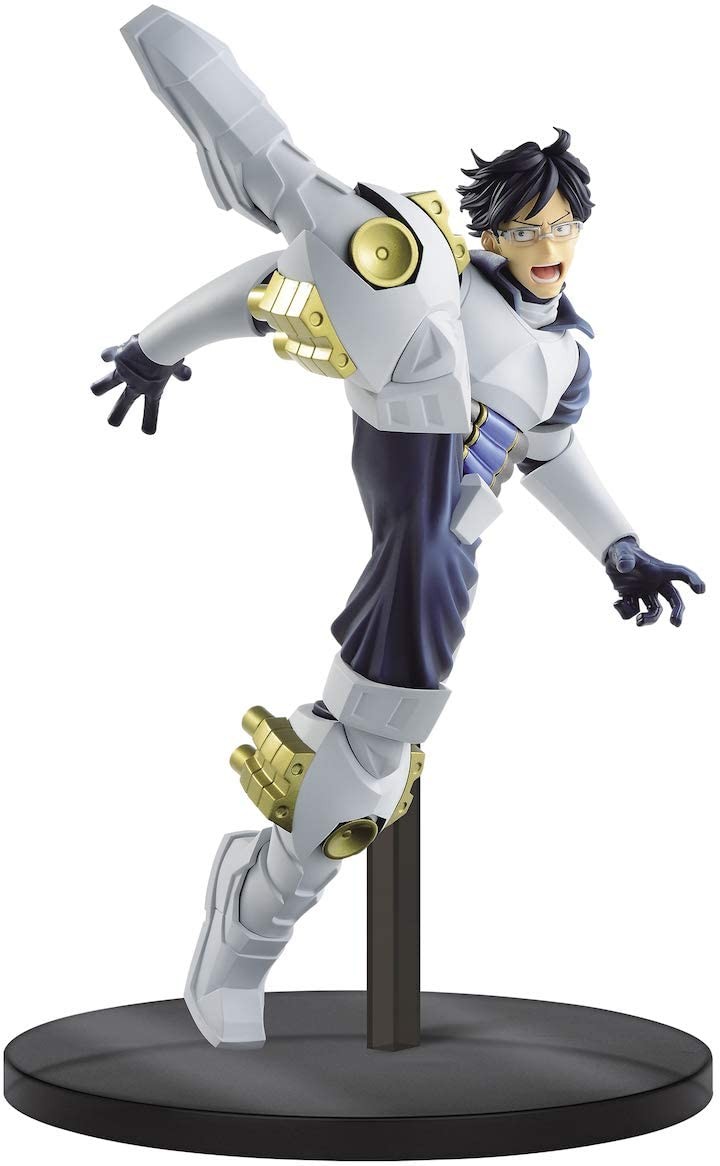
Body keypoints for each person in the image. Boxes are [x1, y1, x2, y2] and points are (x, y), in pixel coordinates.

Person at [91, 7, 704, 1048]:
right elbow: (276, 286)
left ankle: (256, 889)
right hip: (408, 491)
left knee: (366, 765)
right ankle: (242, 939)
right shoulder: (435, 277)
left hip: (449, 546)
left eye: (562, 227)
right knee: (381, 260)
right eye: (527, 229)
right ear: (491, 233)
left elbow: (547, 455)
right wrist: (157, 346)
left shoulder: (567, 356)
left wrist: (620, 546)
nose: (548, 247)